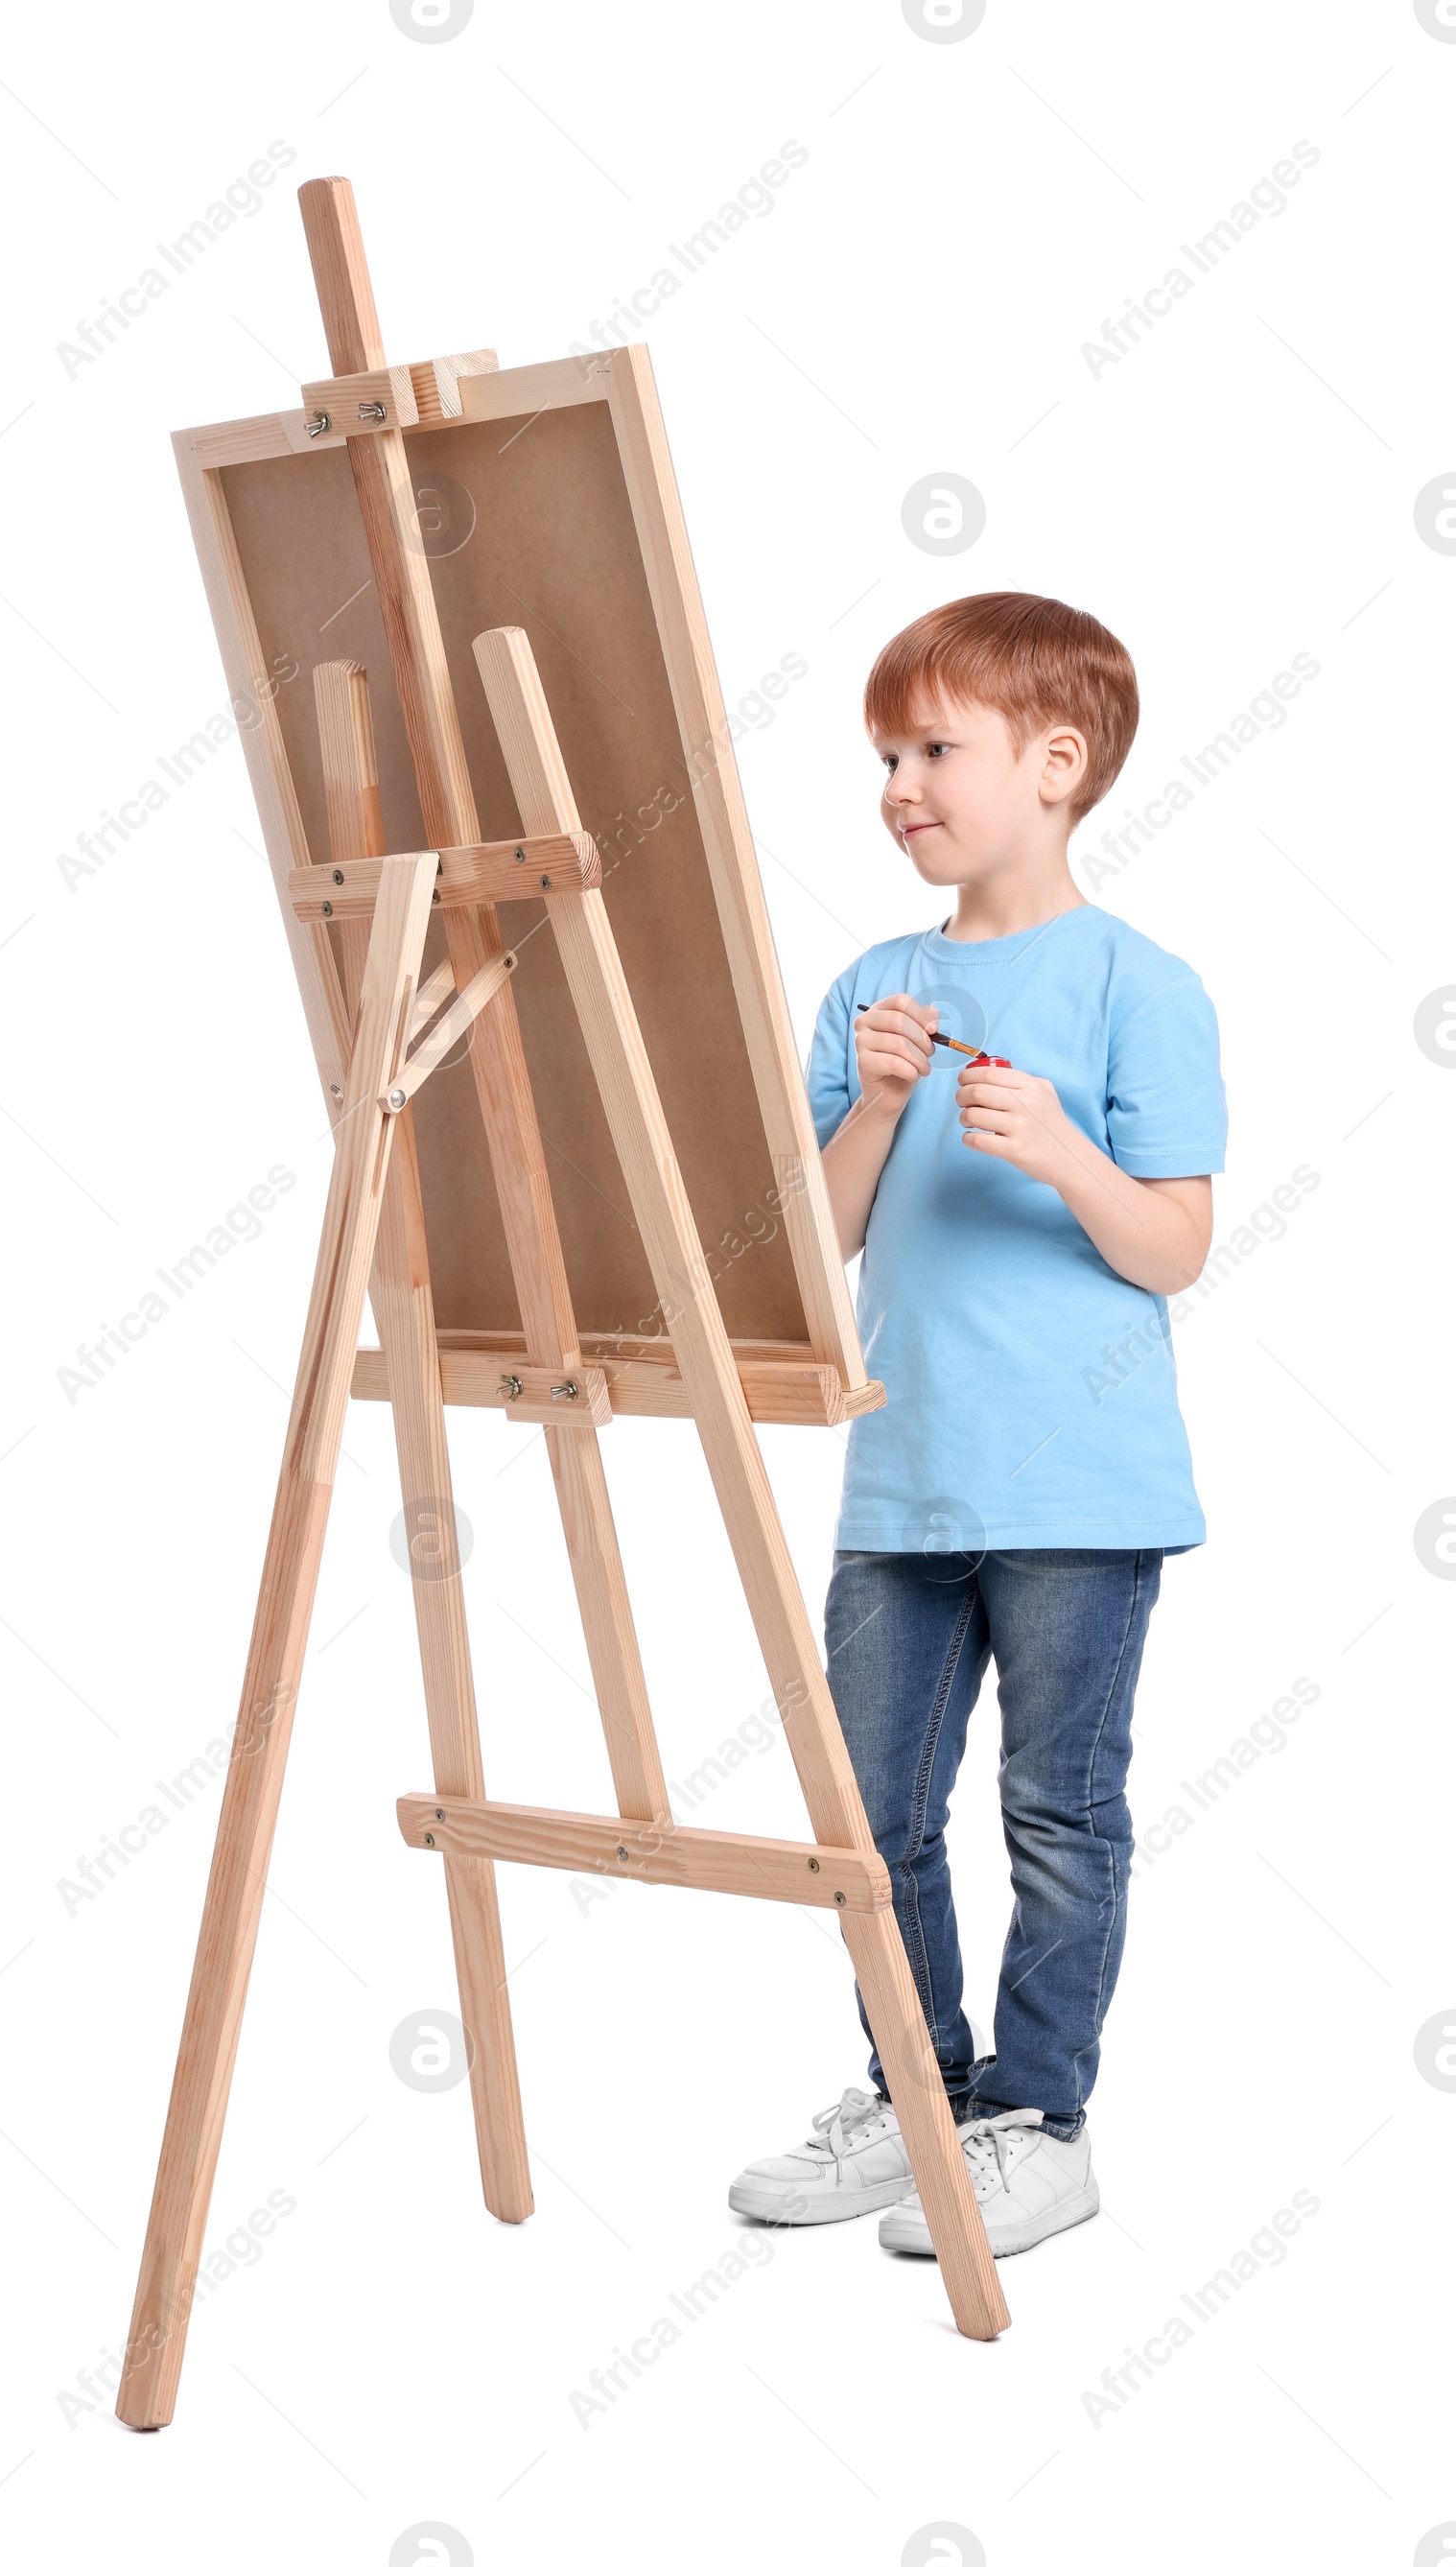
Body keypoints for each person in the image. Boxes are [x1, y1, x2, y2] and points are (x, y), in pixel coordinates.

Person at [728, 592, 1227, 2258]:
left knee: (1057, 1815)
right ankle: (919, 2094)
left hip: (1081, 1491)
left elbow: (1178, 1243)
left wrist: (1066, 1155)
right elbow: (817, 1244)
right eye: (887, 753)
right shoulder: (874, 987)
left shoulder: (1140, 985)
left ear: (1058, 764)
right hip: (904, 1479)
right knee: (870, 1820)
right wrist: (875, 1102)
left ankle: (1043, 2119)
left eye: (936, 747)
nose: (900, 784)